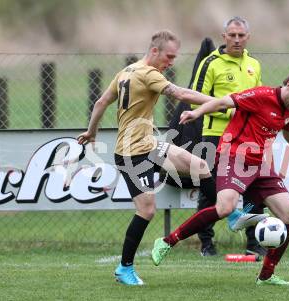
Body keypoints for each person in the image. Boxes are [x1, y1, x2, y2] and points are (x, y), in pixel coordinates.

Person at [151, 68, 289, 286]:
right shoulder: (260, 96)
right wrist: (197, 113)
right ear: (288, 84)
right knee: (225, 208)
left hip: (259, 164)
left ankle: (266, 276)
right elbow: (223, 102)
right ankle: (167, 241)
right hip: (233, 157)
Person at [77, 30, 218, 286]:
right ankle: (124, 268)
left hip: (150, 144)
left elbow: (100, 102)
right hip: (132, 153)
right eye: (169, 56)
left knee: (198, 165)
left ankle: (229, 213)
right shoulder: (148, 73)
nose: (171, 62)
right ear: (154, 51)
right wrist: (223, 102)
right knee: (147, 210)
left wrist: (91, 131)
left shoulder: (126, 71)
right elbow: (183, 95)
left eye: (174, 57)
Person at [191, 16, 266, 257]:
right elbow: (193, 96)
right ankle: (206, 243)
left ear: (247, 37)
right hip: (215, 135)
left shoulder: (254, 63)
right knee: (210, 189)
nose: (236, 39)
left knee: (253, 189)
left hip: (247, 138)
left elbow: (259, 97)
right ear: (224, 37)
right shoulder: (211, 63)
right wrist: (227, 108)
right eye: (231, 35)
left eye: (240, 35)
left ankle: (254, 244)